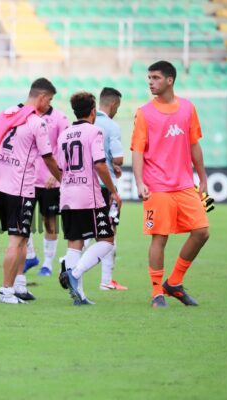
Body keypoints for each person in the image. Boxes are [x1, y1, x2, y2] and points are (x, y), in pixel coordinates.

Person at [131, 60, 209, 308]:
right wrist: (139, 182)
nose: (150, 82)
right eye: (149, 78)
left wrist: (202, 177)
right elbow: (137, 150)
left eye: (155, 78)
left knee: (202, 232)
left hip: (185, 185)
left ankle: (174, 282)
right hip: (157, 187)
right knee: (159, 238)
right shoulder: (144, 112)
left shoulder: (188, 108)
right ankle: (157, 293)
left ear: (169, 80)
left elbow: (194, 144)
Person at [0, 78, 62, 304]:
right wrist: (63, 180)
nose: (49, 105)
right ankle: (6, 291)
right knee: (16, 241)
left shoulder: (5, 114)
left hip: (1, 185)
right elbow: (48, 158)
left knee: (24, 237)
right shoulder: (37, 122)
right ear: (42, 97)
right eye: (50, 100)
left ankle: (19, 285)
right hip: (20, 188)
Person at [57, 91, 121, 305]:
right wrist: (113, 191)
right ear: (93, 111)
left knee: (74, 243)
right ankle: (74, 273)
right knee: (107, 240)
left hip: (67, 196)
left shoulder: (64, 134)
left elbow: (60, 167)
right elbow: (100, 164)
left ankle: (79, 296)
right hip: (88, 196)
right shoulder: (94, 131)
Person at [22, 80, 69, 277]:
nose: (50, 103)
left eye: (51, 100)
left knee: (49, 222)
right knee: (23, 221)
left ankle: (47, 265)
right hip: (26, 179)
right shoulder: (24, 116)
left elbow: (66, 148)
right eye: (48, 99)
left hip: (50, 181)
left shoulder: (59, 118)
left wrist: (55, 172)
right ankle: (30, 255)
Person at [94, 87, 128, 291]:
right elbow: (118, 159)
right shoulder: (111, 126)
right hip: (105, 185)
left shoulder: (87, 122)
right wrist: (114, 163)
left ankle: (69, 263)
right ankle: (106, 281)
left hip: (84, 184)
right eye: (118, 106)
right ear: (114, 103)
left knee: (86, 230)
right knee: (109, 230)